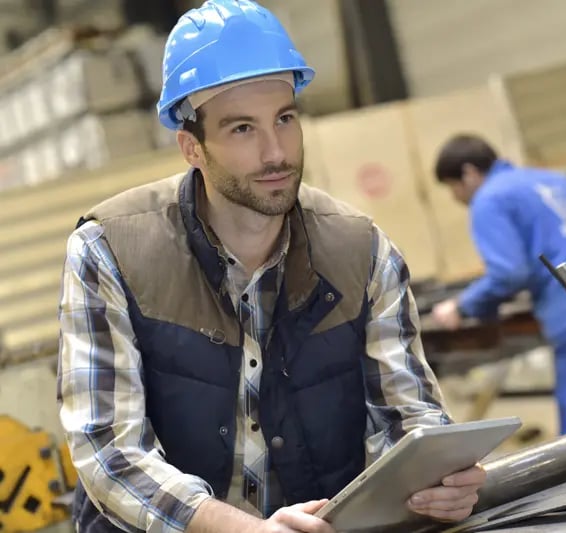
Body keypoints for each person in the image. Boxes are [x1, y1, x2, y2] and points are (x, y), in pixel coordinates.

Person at [56, 2, 486, 532]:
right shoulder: (110, 252)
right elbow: (110, 454)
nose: (276, 151)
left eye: (285, 119)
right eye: (242, 129)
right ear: (192, 145)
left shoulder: (361, 251)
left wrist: (438, 480)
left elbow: (410, 418)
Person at [430, 134, 566, 436]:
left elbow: (509, 273)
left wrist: (463, 305)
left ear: (469, 173)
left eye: (454, 187)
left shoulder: (488, 199)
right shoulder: (556, 181)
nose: (456, 197)